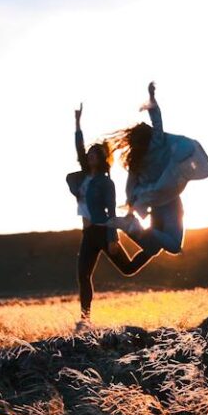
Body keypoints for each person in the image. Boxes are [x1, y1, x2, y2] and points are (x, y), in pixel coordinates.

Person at [108, 82, 208, 275]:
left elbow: (130, 187)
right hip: (172, 202)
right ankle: (133, 228)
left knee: (153, 247)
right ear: (149, 135)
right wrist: (151, 97)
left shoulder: (135, 161)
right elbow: (157, 121)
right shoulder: (157, 143)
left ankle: (133, 228)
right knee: (174, 246)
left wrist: (132, 206)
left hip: (154, 206)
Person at [66, 104, 137, 328]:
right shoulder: (85, 177)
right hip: (88, 233)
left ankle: (152, 250)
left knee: (127, 269)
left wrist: (112, 237)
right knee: (83, 276)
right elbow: (79, 147)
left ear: (102, 158)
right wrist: (77, 123)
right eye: (89, 154)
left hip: (102, 230)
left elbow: (111, 212)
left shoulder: (106, 182)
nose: (90, 156)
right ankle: (85, 319)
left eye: (95, 154)